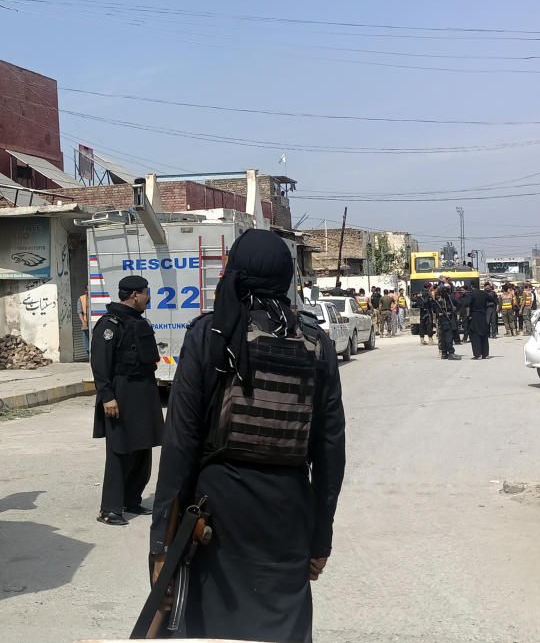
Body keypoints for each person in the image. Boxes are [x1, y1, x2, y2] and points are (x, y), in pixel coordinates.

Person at [149, 229, 346, 641]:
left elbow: (180, 445)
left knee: (212, 628)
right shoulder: (316, 344)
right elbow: (330, 452)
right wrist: (320, 536)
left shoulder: (209, 335)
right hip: (288, 516)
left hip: (216, 517)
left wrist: (161, 543)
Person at [90, 275, 163, 526]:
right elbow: (99, 364)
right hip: (121, 392)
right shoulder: (110, 324)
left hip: (143, 391)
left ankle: (131, 498)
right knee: (119, 449)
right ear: (135, 295)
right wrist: (107, 397)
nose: (149, 298)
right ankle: (110, 509)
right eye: (146, 293)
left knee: (143, 447)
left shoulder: (137, 322)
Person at [465, 282, 495, 359]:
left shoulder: (471, 294)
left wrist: (468, 316)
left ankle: (478, 355)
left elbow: (467, 304)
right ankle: (486, 354)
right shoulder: (484, 293)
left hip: (474, 316)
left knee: (475, 335)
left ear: (471, 286)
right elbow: (492, 299)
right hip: (483, 315)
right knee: (484, 334)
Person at [433, 282, 461, 360]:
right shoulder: (445, 298)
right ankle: (450, 353)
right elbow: (459, 303)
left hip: (442, 320)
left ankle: (444, 353)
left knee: (443, 336)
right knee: (448, 337)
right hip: (447, 319)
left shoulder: (441, 299)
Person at [77, 286, 90, 353]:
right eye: (87, 290)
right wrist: (83, 322)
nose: (88, 291)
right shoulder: (81, 299)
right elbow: (79, 312)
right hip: (86, 323)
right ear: (85, 290)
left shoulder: (95, 298)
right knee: (87, 340)